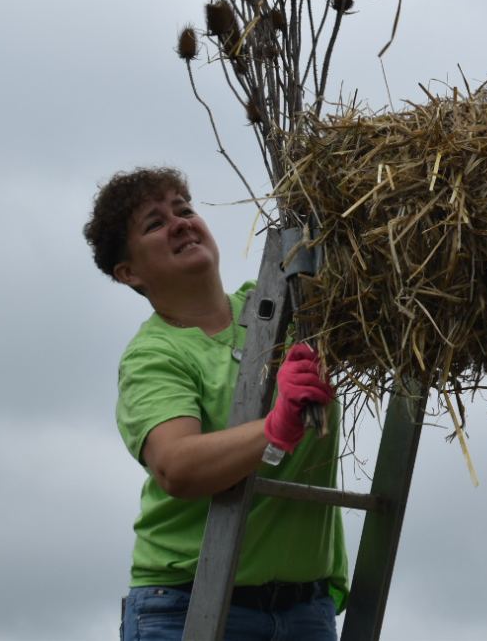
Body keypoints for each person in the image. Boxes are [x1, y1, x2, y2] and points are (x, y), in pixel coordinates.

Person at [84, 166, 349, 640]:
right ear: (129, 272)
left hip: (305, 610)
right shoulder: (156, 354)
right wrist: (277, 425)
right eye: (155, 223)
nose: (181, 222)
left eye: (184, 209)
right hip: (188, 607)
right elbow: (177, 466)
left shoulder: (288, 309)